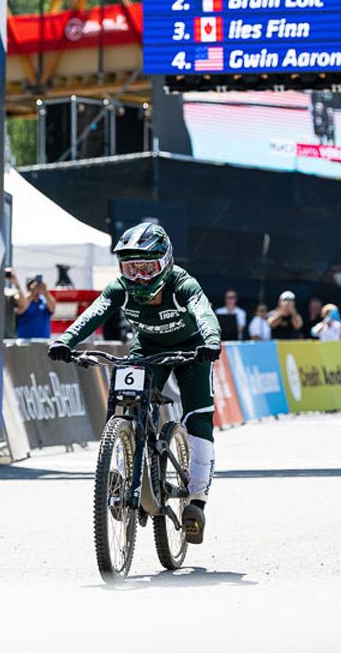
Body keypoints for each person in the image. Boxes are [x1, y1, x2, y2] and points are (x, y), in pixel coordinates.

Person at [49, 222, 220, 544]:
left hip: (192, 350)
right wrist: (66, 340)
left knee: (198, 418)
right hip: (147, 348)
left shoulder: (182, 283)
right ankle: (125, 455)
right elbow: (95, 312)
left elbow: (204, 312)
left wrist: (210, 341)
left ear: (165, 263)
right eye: (131, 268)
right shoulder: (120, 288)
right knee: (126, 399)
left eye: (147, 268)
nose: (139, 277)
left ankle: (197, 501)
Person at [14, 272, 56, 339]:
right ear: (28, 286)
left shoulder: (44, 301)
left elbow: (52, 309)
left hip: (43, 342)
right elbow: (20, 310)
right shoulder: (23, 300)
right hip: (25, 342)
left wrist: (45, 292)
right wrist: (32, 294)